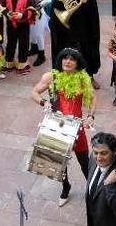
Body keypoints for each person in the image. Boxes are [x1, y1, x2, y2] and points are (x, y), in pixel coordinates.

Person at [31, 48, 96, 206]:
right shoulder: (51, 77)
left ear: (77, 63)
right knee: (58, 162)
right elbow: (34, 92)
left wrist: (90, 116)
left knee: (84, 162)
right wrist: (44, 102)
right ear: (60, 60)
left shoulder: (83, 78)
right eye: (65, 58)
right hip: (57, 125)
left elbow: (93, 98)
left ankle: (93, 189)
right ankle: (65, 187)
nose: (68, 61)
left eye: (72, 59)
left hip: (76, 127)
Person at [50, 0, 101, 84]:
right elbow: (56, 6)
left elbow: (93, 10)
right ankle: (67, 77)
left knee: (86, 50)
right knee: (68, 52)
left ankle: (89, 76)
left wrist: (86, 2)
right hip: (68, 27)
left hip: (84, 27)